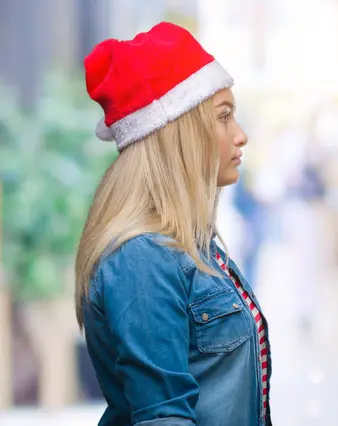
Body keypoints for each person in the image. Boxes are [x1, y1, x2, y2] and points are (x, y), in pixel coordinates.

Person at [74, 22, 272, 426]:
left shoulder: (189, 245)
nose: (241, 136)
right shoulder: (142, 257)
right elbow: (163, 417)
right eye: (224, 116)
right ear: (180, 130)